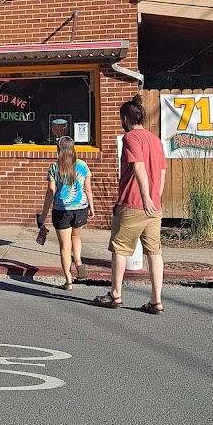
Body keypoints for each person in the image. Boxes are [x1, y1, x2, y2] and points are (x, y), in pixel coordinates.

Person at [94, 94, 167, 314]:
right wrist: (155, 196)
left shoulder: (130, 138)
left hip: (133, 203)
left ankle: (115, 294)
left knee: (120, 249)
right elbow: (162, 171)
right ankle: (156, 300)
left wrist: (145, 196)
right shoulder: (155, 140)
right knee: (154, 252)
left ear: (125, 119)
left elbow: (139, 166)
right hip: (155, 206)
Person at [37, 136, 94, 290]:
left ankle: (68, 282)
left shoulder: (54, 167)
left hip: (62, 210)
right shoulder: (82, 165)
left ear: (59, 149)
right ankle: (78, 262)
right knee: (76, 236)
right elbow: (88, 189)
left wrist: (43, 214)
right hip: (81, 208)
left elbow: (50, 191)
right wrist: (92, 207)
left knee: (64, 246)